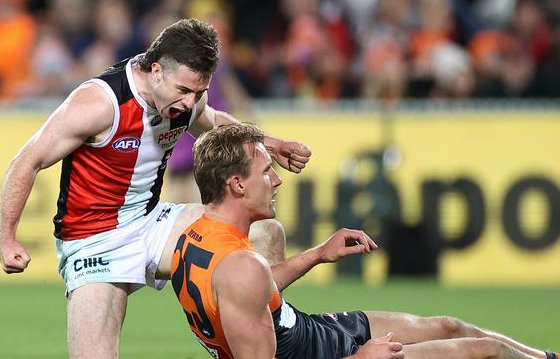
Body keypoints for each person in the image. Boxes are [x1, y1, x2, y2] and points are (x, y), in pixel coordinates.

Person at [0, 18, 312, 358]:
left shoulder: (180, 99)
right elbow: (27, 161)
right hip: (93, 242)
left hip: (152, 224)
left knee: (264, 231)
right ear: (156, 70)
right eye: (184, 91)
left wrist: (271, 143)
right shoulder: (100, 103)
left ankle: (269, 346)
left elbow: (214, 123)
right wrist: (7, 237)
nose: (190, 103)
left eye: (199, 93)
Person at [169, 123, 559, 359]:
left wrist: (319, 254)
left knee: (449, 326)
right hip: (326, 353)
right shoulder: (241, 266)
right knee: (484, 352)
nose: (277, 180)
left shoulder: (193, 240)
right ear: (236, 184)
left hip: (311, 332)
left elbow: (249, 294)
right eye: (266, 171)